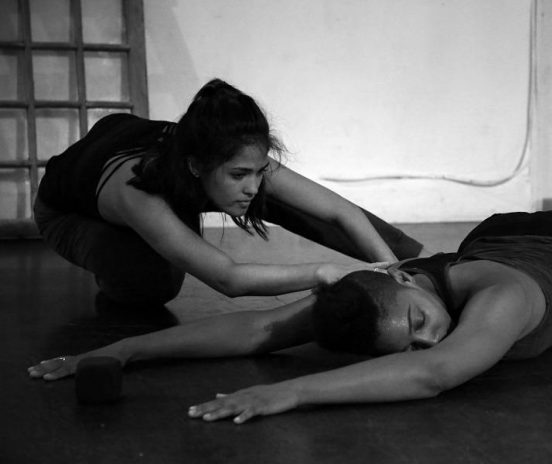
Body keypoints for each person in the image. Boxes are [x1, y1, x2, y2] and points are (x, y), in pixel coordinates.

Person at [28, 209, 552, 424]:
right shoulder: (374, 293)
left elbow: (436, 374)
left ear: (404, 277)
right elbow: (257, 328)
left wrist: (281, 393)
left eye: (420, 323)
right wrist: (125, 351)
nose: (431, 337)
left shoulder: (503, 301)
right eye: (407, 341)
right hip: (499, 232)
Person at [33, 78, 428, 308]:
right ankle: (116, 279)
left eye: (258, 170)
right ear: (196, 166)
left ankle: (423, 264)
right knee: (155, 282)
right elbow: (229, 279)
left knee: (288, 200)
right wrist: (328, 273)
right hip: (70, 213)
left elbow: (340, 211)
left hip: (164, 167)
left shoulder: (229, 151)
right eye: (240, 174)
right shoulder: (136, 191)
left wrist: (395, 268)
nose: (253, 185)